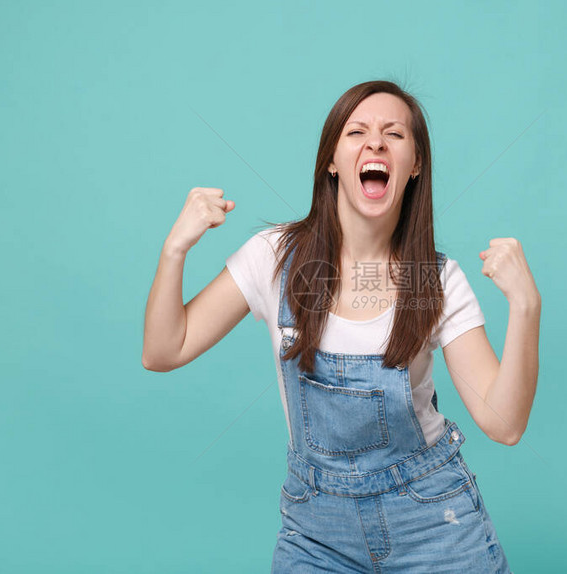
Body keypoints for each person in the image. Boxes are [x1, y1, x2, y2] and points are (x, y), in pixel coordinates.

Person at [142, 80, 541, 573]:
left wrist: (526, 307)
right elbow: (163, 351)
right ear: (332, 160)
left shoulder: (433, 281)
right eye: (357, 131)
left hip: (434, 526)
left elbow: (505, 425)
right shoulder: (276, 258)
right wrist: (174, 249)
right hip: (316, 534)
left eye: (394, 134)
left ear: (415, 165)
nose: (375, 142)